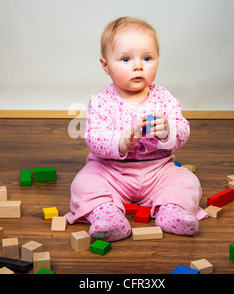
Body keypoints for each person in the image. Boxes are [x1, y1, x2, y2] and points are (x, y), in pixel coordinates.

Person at [65, 16, 207, 241]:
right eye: (125, 59)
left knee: (187, 181)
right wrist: (121, 141)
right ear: (105, 65)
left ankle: (172, 211)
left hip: (158, 171)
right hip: (111, 171)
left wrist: (168, 130)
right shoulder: (102, 101)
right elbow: (95, 138)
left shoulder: (164, 98)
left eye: (147, 58)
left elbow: (183, 130)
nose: (138, 66)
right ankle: (107, 216)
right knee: (84, 183)